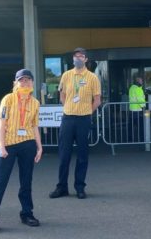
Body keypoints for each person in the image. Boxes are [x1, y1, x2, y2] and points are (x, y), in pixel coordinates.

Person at [0, 69, 43, 235]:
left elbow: (34, 126)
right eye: (21, 80)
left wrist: (39, 146)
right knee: (0, 182)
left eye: (28, 80)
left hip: (28, 144)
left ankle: (27, 214)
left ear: (32, 83)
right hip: (8, 145)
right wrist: (2, 147)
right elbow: (1, 124)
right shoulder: (8, 100)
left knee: (26, 182)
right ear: (15, 83)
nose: (25, 83)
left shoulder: (35, 103)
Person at [49, 47, 101, 199]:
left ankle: (80, 187)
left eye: (81, 56)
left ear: (86, 59)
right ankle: (61, 187)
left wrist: (86, 111)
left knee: (82, 155)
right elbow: (62, 95)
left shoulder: (92, 77)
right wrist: (69, 107)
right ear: (73, 59)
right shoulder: (66, 75)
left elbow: (97, 100)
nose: (78, 58)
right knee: (64, 154)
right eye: (75, 56)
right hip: (68, 118)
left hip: (83, 119)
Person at [129, 76, 146, 142]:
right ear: (138, 82)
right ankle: (142, 139)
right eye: (141, 81)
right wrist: (144, 107)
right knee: (141, 127)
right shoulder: (138, 89)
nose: (142, 82)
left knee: (131, 126)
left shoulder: (131, 88)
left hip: (132, 109)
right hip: (138, 110)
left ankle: (130, 139)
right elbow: (140, 100)